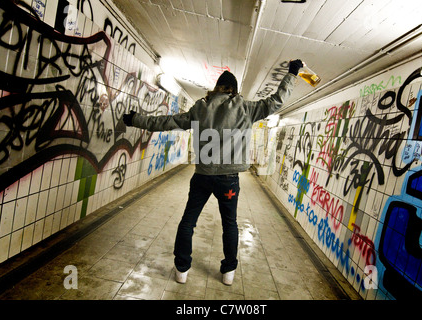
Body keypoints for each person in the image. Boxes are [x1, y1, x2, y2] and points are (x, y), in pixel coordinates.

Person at [123, 59, 303, 285]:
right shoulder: (245, 108)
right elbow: (275, 101)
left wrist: (135, 119)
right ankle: (228, 272)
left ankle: (181, 270)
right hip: (229, 180)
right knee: (230, 223)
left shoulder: (199, 108)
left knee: (188, 221)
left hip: (203, 176)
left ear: (217, 88)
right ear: (234, 90)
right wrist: (292, 73)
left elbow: (168, 122)